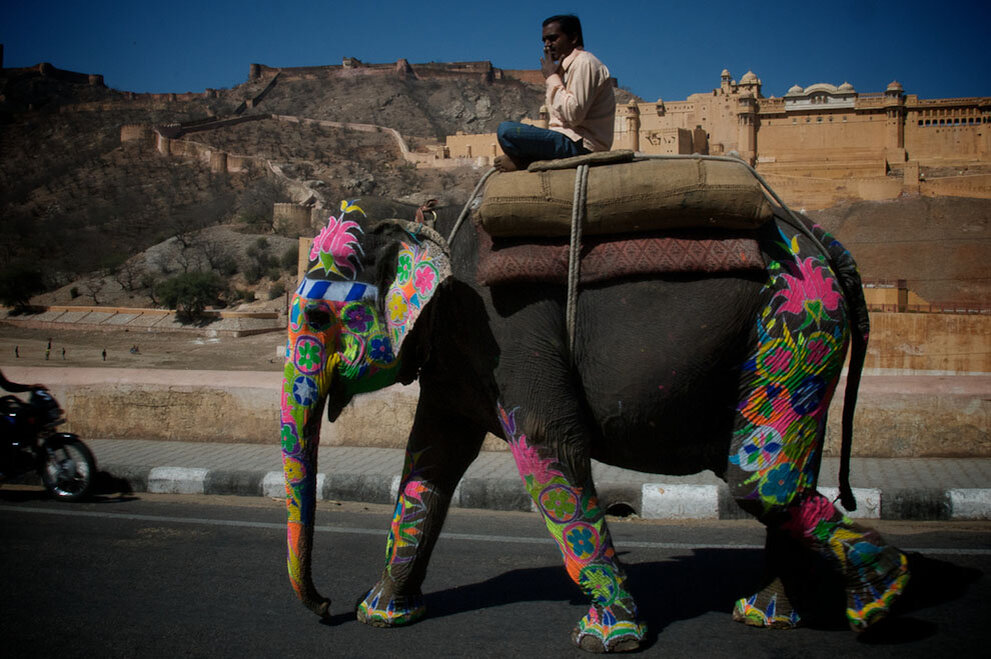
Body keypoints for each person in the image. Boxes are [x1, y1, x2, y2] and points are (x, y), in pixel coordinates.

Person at [495, 14, 616, 172]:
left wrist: (552, 77)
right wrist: (555, 76)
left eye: (553, 39)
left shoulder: (584, 63)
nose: (547, 46)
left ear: (573, 38)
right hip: (566, 141)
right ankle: (531, 160)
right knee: (510, 130)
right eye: (544, 40)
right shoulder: (565, 70)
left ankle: (527, 162)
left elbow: (574, 115)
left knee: (507, 131)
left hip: (582, 145)